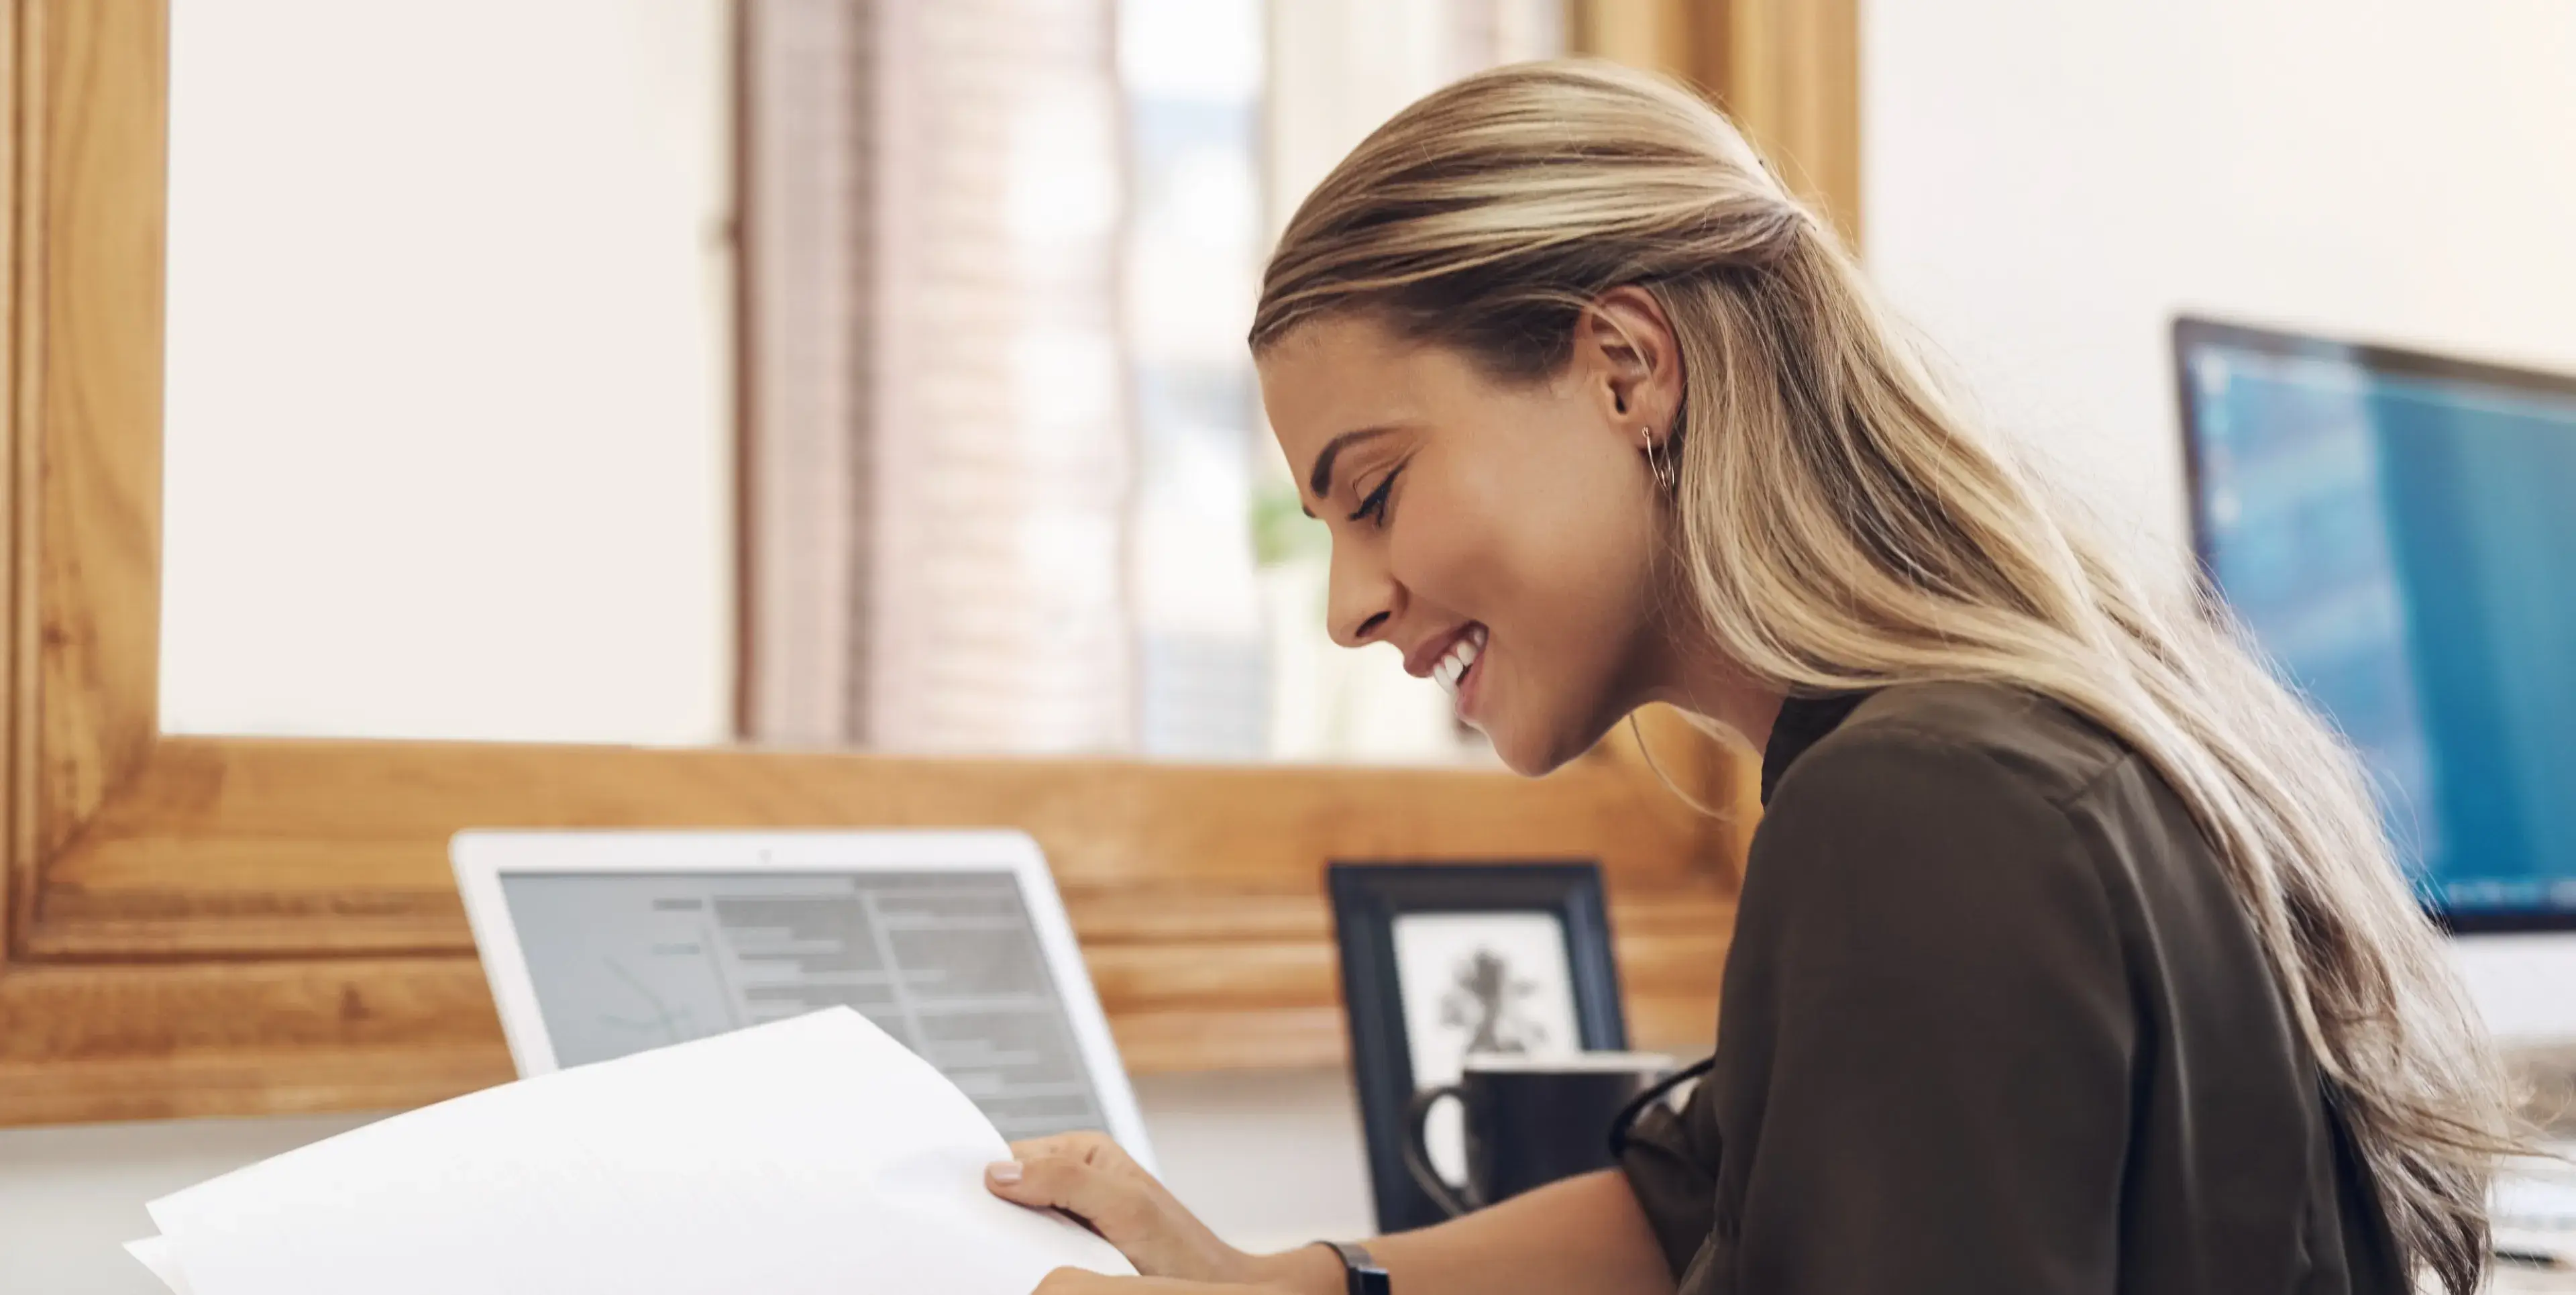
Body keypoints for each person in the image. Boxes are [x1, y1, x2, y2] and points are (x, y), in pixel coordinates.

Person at [982, 60, 2522, 1295]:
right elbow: (1707, 1197)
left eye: (1372, 491)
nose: (1348, 606)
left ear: (1625, 367)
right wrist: (1297, 1282)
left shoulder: (1925, 808)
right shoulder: (1989, 752)